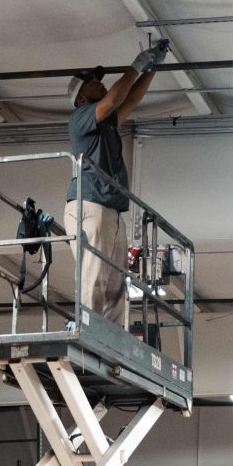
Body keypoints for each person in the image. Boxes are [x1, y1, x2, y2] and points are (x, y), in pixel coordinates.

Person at [65, 38, 169, 327]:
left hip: (109, 207)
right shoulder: (80, 118)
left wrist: (152, 69)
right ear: (82, 99)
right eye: (93, 84)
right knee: (95, 272)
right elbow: (113, 99)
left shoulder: (105, 123)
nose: (100, 84)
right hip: (90, 203)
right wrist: (135, 67)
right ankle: (87, 328)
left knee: (115, 280)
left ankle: (110, 335)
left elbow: (130, 99)